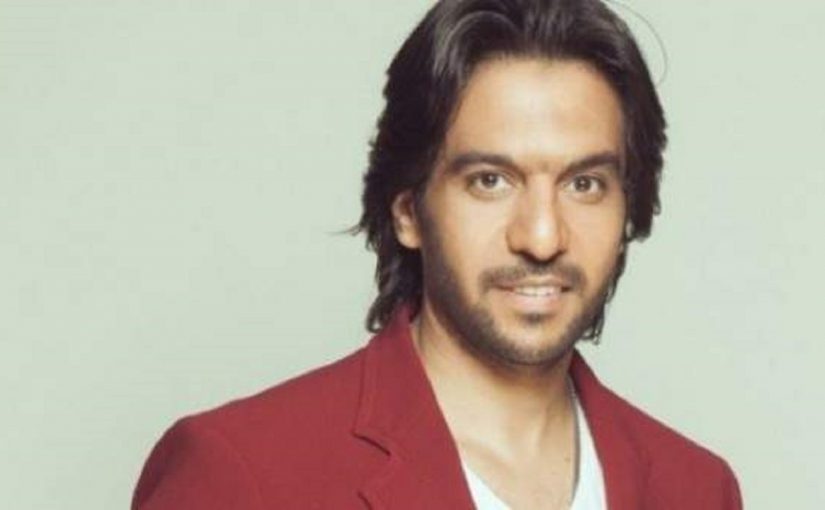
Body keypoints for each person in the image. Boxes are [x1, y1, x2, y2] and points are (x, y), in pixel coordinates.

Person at [132, 0, 742, 508]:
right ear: (407, 210)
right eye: (490, 181)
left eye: (584, 184)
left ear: (629, 208)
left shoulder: (697, 488)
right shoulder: (242, 474)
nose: (542, 237)